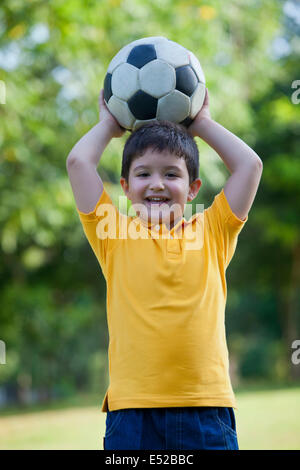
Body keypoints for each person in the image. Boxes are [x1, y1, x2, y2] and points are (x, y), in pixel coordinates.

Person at [66, 87, 263, 450]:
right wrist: (109, 125)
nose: (157, 184)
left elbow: (250, 166)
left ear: (192, 189)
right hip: (133, 413)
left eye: (172, 174)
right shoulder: (112, 232)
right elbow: (79, 163)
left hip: (206, 409)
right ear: (125, 187)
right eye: (143, 174)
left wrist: (201, 123)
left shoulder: (214, 228)